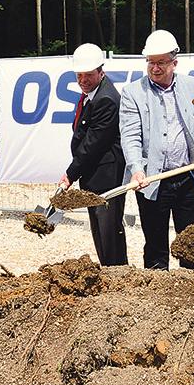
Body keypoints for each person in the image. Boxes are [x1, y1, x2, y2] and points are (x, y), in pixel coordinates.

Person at [119, 30, 194, 270]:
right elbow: (131, 136)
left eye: (161, 63)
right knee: (155, 247)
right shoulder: (133, 93)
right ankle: (157, 301)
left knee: (192, 246)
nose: (155, 68)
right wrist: (136, 169)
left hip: (189, 179)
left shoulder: (193, 85)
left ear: (174, 62)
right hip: (153, 180)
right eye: (151, 62)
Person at [60, 43, 128, 266]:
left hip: (106, 176)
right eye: (79, 75)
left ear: (101, 72)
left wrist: (70, 174)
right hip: (94, 174)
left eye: (88, 75)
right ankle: (111, 270)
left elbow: (92, 145)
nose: (82, 80)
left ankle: (116, 272)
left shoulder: (106, 100)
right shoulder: (92, 95)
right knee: (100, 231)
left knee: (108, 231)